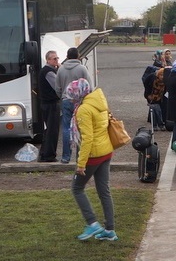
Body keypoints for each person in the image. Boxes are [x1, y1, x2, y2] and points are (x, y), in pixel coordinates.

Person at [66, 79, 117, 241]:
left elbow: (87, 139)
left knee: (77, 188)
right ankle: (110, 229)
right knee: (104, 191)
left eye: (72, 95)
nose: (70, 98)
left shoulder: (83, 109)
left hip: (93, 155)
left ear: (78, 94)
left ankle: (92, 223)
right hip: (106, 151)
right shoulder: (98, 101)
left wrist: (81, 164)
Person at [56, 47, 93, 164]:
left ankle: (65, 157)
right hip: (80, 102)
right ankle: (79, 158)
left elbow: (57, 88)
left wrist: (63, 96)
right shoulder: (82, 69)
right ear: (78, 56)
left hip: (66, 100)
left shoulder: (61, 69)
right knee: (81, 128)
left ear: (67, 56)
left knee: (66, 128)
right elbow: (90, 87)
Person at [38, 50, 61, 162]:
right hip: (51, 104)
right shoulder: (49, 72)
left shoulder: (47, 70)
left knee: (49, 130)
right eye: (54, 59)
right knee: (52, 130)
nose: (57, 60)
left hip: (46, 104)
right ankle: (49, 155)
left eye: (57, 58)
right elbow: (57, 87)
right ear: (48, 60)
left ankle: (44, 154)